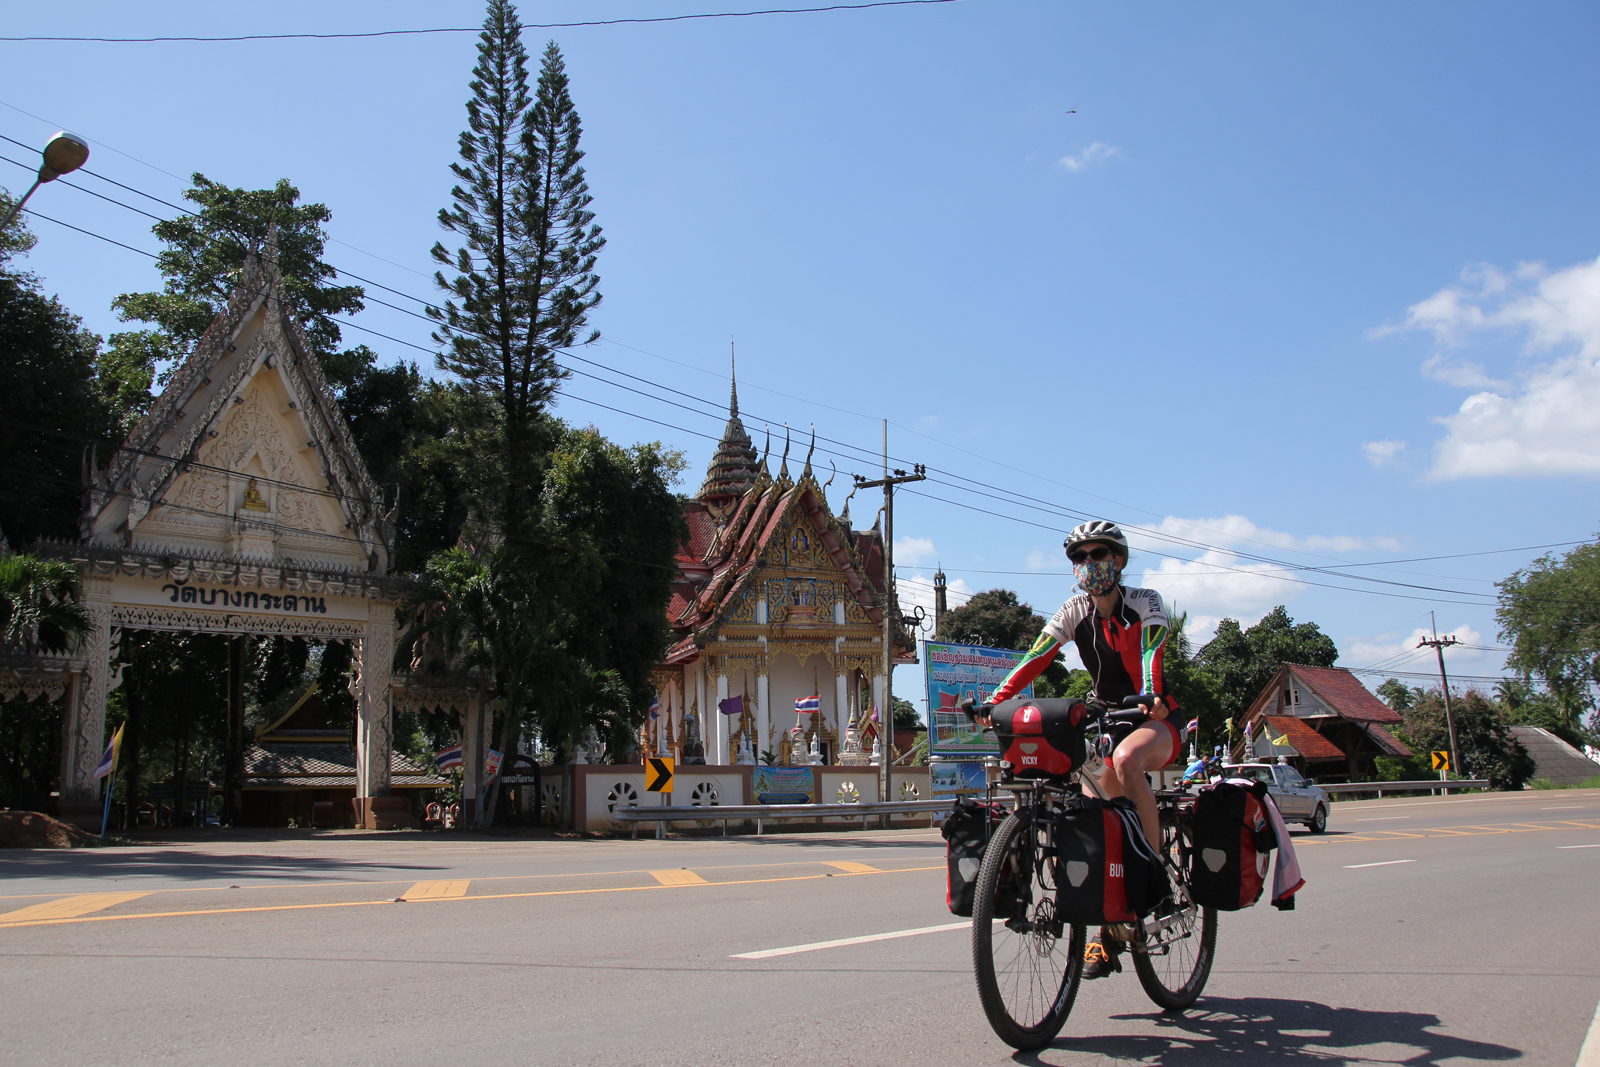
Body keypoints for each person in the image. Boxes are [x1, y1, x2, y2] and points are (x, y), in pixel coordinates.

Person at [971, 519, 1184, 980]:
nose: (1089, 565)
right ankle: (1104, 937)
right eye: (1079, 557)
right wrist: (997, 701)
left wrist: (1149, 695)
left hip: (1154, 717)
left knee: (1127, 761)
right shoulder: (1074, 610)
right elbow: (1038, 656)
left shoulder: (1144, 602)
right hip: (1106, 719)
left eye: (1099, 555)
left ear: (1119, 561)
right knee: (1086, 815)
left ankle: (1154, 874)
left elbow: (1151, 655)